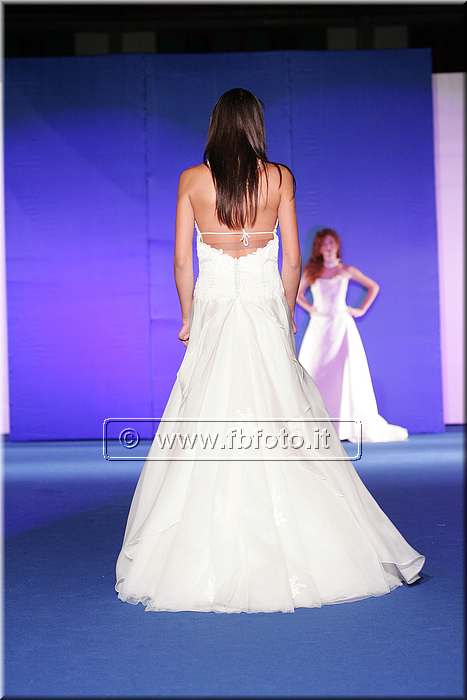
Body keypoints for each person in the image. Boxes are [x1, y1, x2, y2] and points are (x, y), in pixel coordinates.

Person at [115, 88, 424, 613]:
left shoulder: (192, 180)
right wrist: (285, 318)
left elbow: (182, 262)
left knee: (205, 419)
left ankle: (193, 555)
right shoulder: (279, 179)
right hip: (262, 311)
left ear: (216, 125)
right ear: (256, 126)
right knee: (284, 421)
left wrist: (188, 317)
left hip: (215, 314)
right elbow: (292, 259)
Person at [297, 229, 409, 443]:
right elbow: (297, 294)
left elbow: (373, 287)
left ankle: (345, 426)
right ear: (318, 248)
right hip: (319, 327)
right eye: (324, 243)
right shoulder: (312, 271)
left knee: (344, 374)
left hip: (342, 327)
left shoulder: (346, 270)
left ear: (337, 245)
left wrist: (360, 310)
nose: (328, 246)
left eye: (331, 242)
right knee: (314, 371)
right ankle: (317, 426)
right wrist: (311, 309)